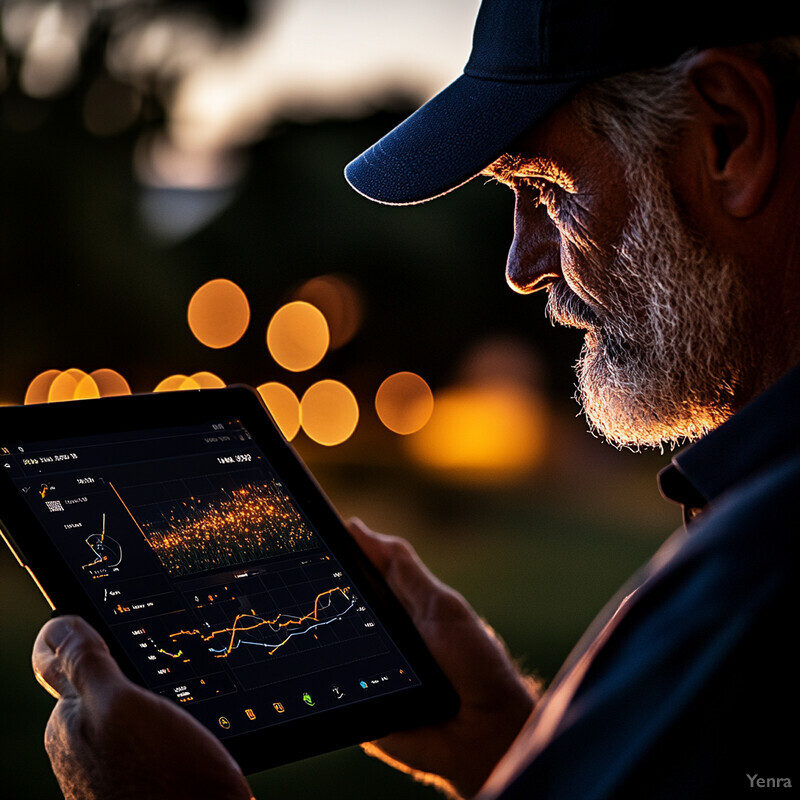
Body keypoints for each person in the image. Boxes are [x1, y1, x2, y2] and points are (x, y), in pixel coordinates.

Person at [33, 0, 799, 798]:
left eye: (543, 185)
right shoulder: (754, 516)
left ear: (729, 135)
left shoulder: (761, 572)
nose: (521, 262)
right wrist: (516, 745)